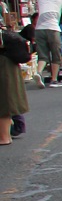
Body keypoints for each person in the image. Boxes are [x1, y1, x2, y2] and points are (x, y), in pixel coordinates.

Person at [31, 0, 62, 88]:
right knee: (56, 54)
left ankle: (38, 72)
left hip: (39, 29)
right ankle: (54, 80)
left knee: (43, 54)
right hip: (53, 28)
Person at [0, 14, 29, 145]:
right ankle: (9, 132)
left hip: (4, 64)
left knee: (4, 102)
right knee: (7, 100)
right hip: (7, 63)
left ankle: (4, 137)